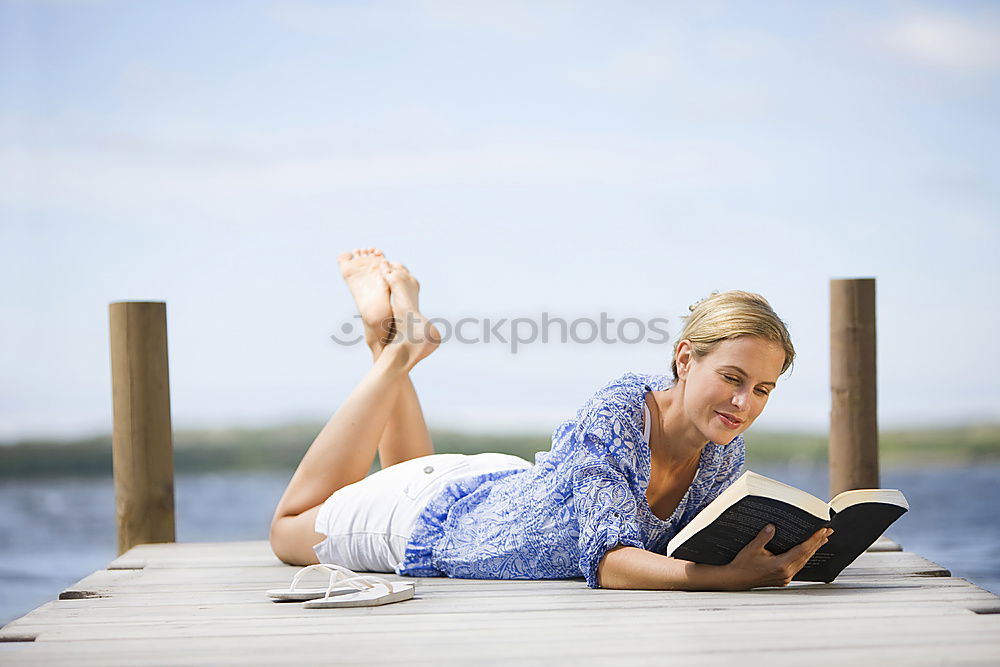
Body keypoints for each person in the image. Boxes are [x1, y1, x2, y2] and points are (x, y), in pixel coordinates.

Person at [269, 247, 832, 591]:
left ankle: (387, 338)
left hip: (494, 487)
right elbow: (609, 564)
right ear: (685, 358)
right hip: (427, 521)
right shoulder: (620, 411)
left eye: (762, 389)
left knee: (408, 466)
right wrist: (728, 580)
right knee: (287, 528)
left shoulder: (722, 446)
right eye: (732, 379)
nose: (744, 404)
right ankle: (397, 353)